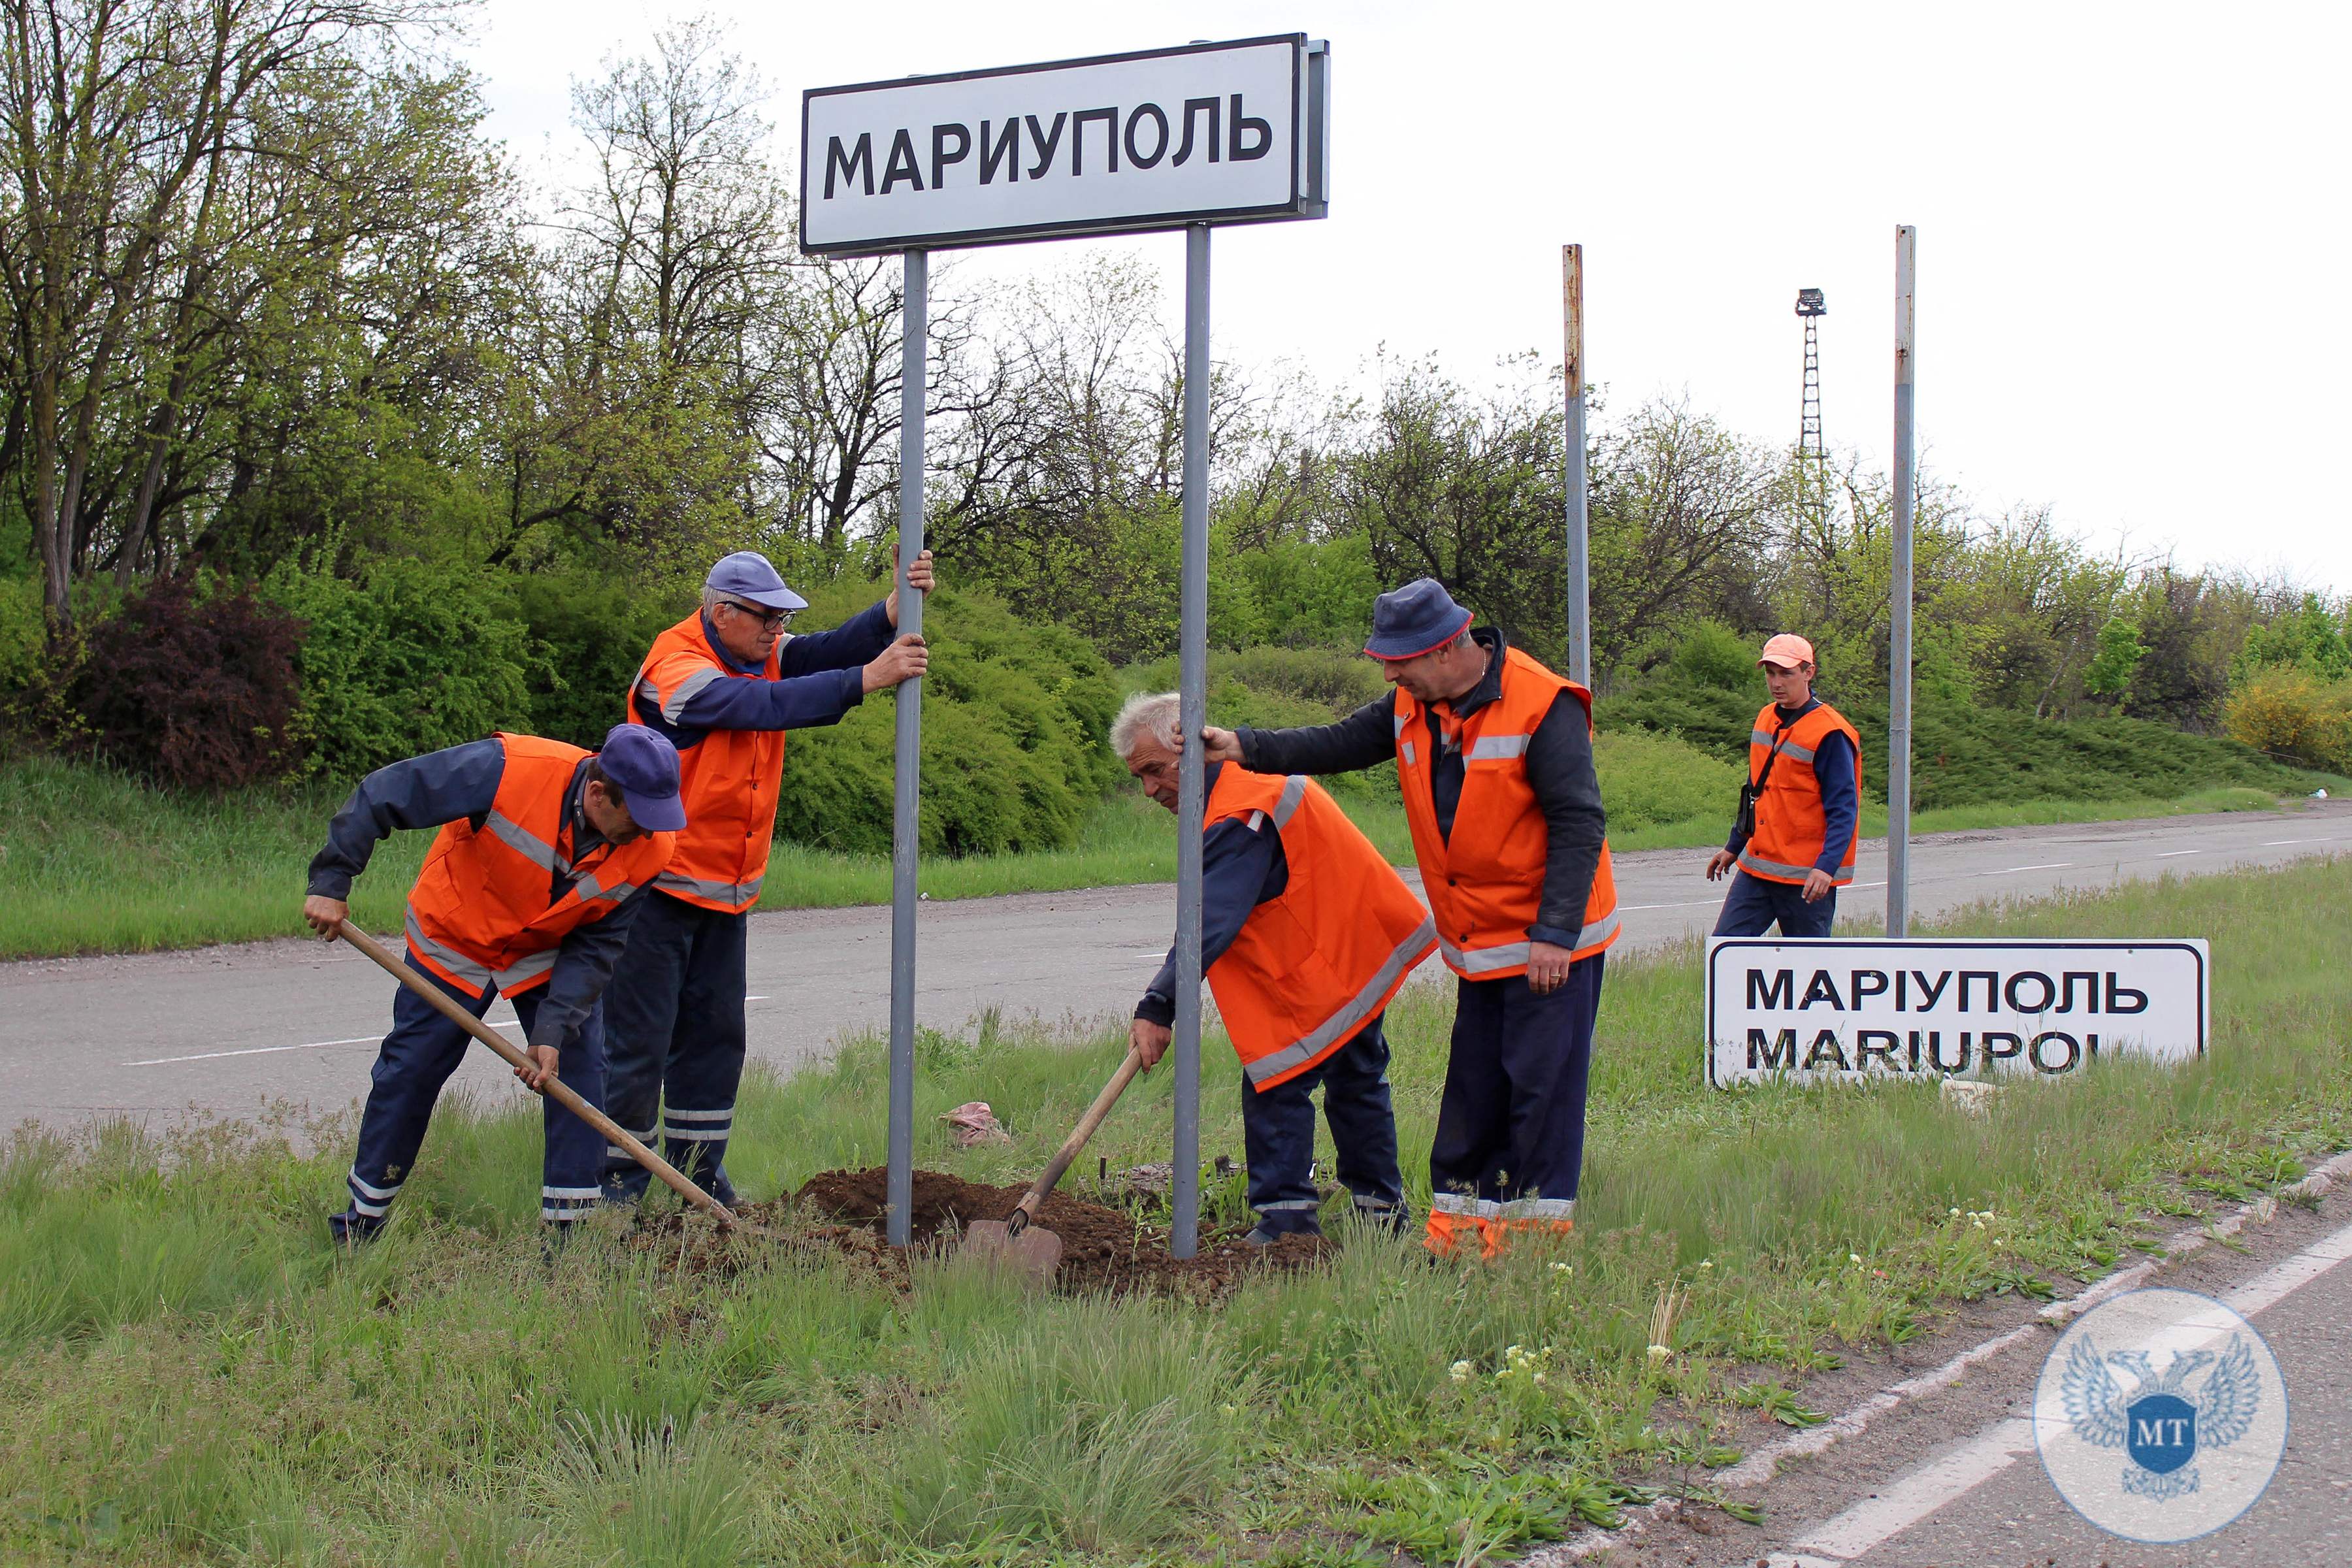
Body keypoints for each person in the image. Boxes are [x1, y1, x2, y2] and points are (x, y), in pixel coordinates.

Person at [1199, 578, 1617, 1259]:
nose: (1392, 675)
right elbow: (1338, 743)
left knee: (1540, 1099)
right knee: (1475, 1096)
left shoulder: (1544, 705)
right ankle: (1456, 1241)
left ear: (1452, 647)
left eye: (1402, 662)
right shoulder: (1413, 704)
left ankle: (1529, 1252)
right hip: (1481, 941)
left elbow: (1580, 822)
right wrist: (1241, 745)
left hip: (1549, 943)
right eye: (1385, 663)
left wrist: (1556, 935)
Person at [599, 547, 932, 1207]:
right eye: (766, 620)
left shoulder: (755, 651)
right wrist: (867, 679)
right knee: (639, 1045)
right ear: (722, 612)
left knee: (716, 1041)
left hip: (724, 892)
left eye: (782, 622)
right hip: (655, 889)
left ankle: (698, 1176)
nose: (777, 634)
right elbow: (757, 706)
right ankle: (616, 1186)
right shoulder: (679, 669)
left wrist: (893, 611)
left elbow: (818, 653)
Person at [301, 725, 685, 1243]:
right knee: (409, 1073)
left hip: (542, 949)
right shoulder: (509, 770)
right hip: (456, 933)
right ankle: (360, 1226)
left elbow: (598, 946)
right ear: (598, 793)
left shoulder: (652, 848)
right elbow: (385, 792)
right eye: (636, 820)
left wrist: (553, 1029)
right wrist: (332, 880)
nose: (644, 834)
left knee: (577, 1074)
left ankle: (569, 1248)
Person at [1114, 691, 1436, 1245]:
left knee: (1278, 1083)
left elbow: (1208, 921)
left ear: (1189, 749)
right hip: (1342, 955)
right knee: (1355, 1079)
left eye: (1153, 771)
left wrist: (1158, 1005)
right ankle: (1379, 1212)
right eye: (1139, 777)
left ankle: (1288, 1225)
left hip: (1329, 961)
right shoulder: (1247, 783)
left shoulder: (1243, 807)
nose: (1148, 790)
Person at [1705, 634, 1861, 938]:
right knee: (1725, 955)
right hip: (1757, 870)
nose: (1777, 682)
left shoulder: (1831, 732)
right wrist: (1734, 846)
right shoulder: (1766, 716)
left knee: (1811, 975)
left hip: (1807, 879)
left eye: (1786, 673)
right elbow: (1755, 790)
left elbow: (1844, 811)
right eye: (1770, 673)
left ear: (1808, 672)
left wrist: (1826, 868)